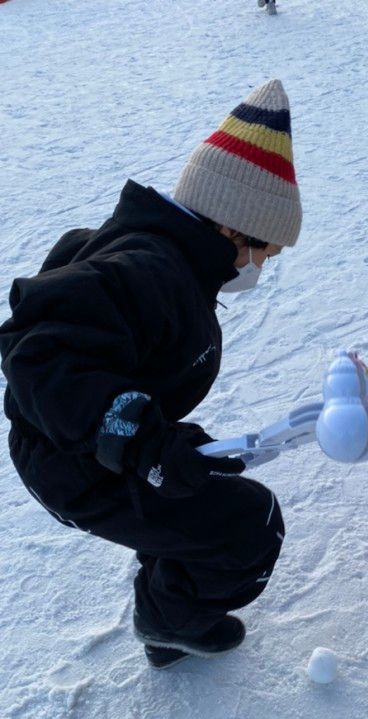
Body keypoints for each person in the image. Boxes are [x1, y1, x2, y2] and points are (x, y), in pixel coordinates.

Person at [0, 79, 302, 666]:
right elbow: (37, 354)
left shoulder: (169, 255)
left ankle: (169, 584)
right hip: (72, 466)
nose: (262, 266)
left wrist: (149, 435)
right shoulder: (152, 273)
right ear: (233, 229)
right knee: (251, 528)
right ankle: (168, 622)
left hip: (91, 446)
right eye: (265, 252)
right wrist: (138, 437)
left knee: (199, 491)